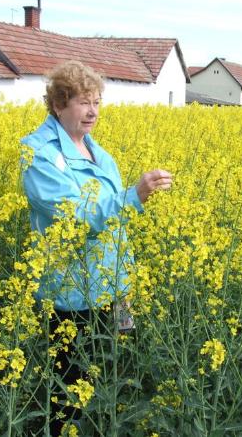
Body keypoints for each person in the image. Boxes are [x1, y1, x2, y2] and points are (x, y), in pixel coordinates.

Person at [20, 60, 172, 435]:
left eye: (97, 102)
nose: (92, 111)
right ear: (58, 104)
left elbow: (116, 229)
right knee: (69, 396)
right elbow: (75, 217)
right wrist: (134, 196)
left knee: (109, 386)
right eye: (84, 102)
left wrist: (126, 284)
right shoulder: (39, 154)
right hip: (71, 293)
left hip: (111, 286)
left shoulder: (98, 154)